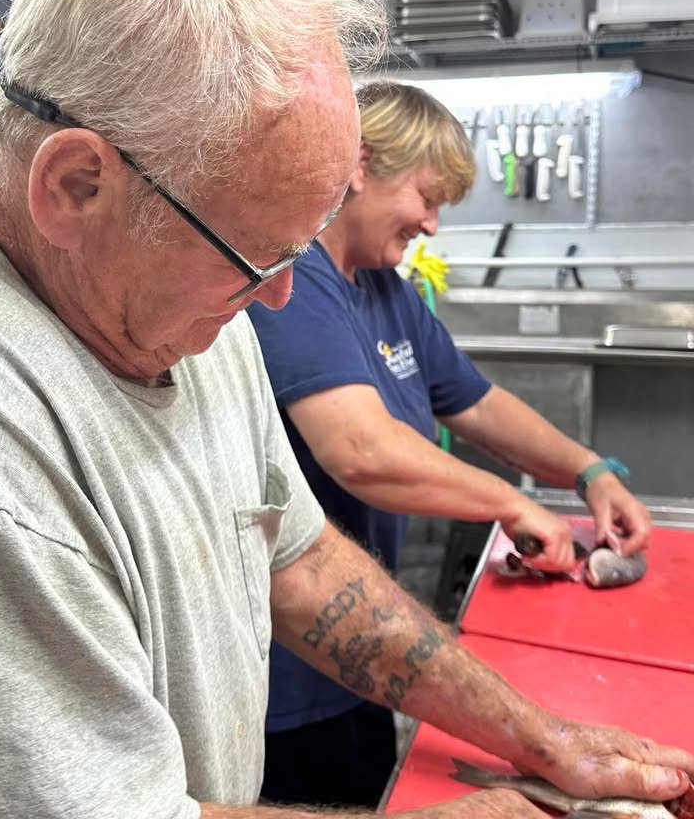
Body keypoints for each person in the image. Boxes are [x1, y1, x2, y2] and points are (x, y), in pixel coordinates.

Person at [0, 0, 687, 819]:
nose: (279, 296)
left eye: (295, 251)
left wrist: (539, 736)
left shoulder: (189, 313)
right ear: (75, 188)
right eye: (254, 257)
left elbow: (300, 562)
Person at [248, 80, 653, 807]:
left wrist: (588, 470)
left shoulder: (384, 287)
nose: (432, 225)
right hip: (290, 668)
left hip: (368, 645)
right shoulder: (293, 281)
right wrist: (510, 504)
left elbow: (475, 401)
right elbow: (360, 450)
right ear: (360, 164)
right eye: (427, 198)